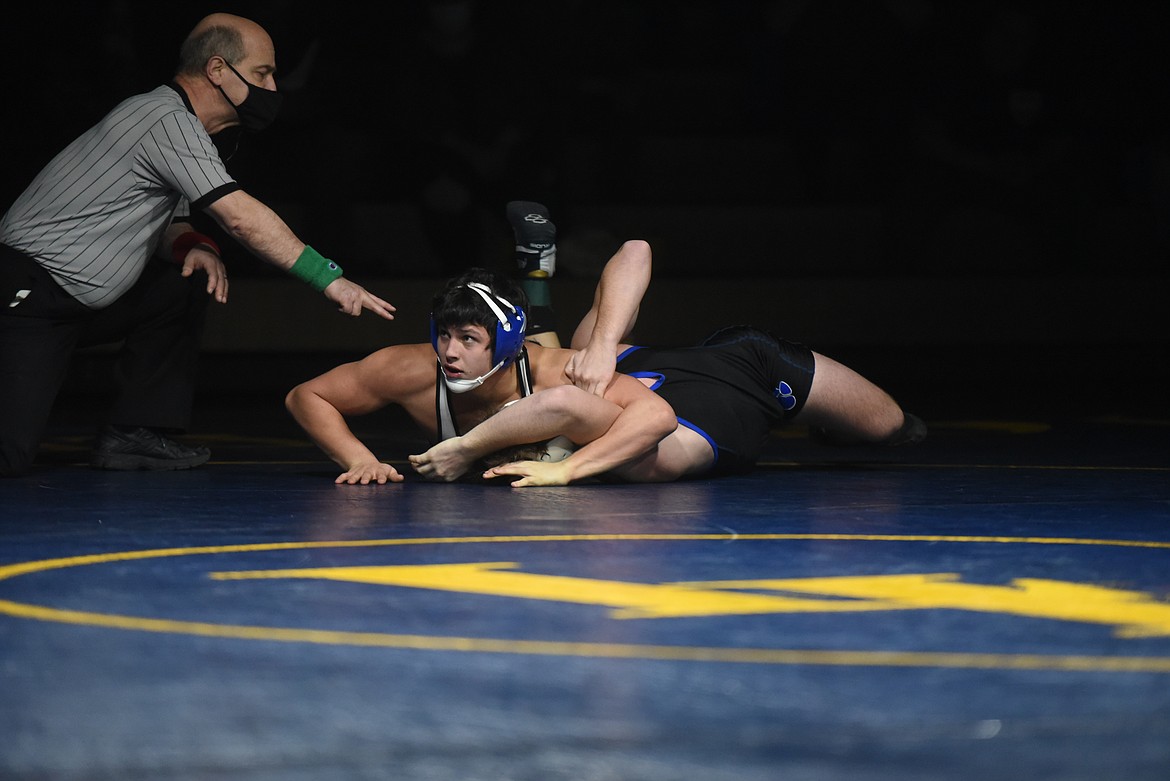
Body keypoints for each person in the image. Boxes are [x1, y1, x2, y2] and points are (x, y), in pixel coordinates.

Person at [0, 13, 395, 477]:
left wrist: (193, 245)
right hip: (27, 295)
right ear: (217, 70)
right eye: (262, 74)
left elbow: (163, 221)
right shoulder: (163, 118)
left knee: (186, 279)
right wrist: (328, 278)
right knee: (9, 458)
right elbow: (241, 219)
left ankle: (134, 434)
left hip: (79, 300)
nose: (272, 89)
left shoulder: (188, 127)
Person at [287, 235, 924, 487]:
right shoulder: (416, 370)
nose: (450, 354)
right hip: (656, 390)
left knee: (891, 429)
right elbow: (306, 395)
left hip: (737, 371)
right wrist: (360, 458)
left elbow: (637, 250)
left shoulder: (560, 372)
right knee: (584, 365)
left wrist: (565, 471)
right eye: (444, 337)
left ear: (503, 342)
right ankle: (545, 286)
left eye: (469, 340)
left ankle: (554, 296)